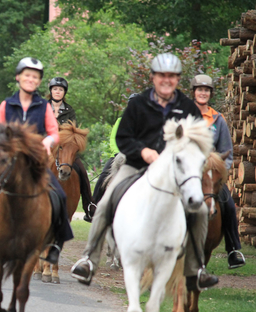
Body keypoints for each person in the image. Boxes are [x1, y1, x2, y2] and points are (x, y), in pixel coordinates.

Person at [71, 53, 219, 290]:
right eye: (162, 75)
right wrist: (144, 152)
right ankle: (89, 259)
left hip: (174, 170)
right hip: (137, 165)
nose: (166, 80)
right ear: (153, 77)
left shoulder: (188, 107)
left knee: (200, 209)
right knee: (107, 201)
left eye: (172, 76)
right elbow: (123, 137)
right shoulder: (138, 104)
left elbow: (199, 140)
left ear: (177, 79)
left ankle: (197, 269)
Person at [0, 57, 74, 262]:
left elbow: (55, 133)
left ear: (39, 81)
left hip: (33, 163)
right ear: (18, 77)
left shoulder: (43, 107)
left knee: (59, 195)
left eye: (35, 77)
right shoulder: (6, 105)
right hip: (8, 161)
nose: (30, 79)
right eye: (27, 75)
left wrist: (47, 141)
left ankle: (55, 244)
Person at [192, 74, 245, 269]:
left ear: (210, 93)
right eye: (200, 90)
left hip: (211, 175)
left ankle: (233, 250)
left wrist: (221, 172)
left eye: (206, 90)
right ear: (194, 92)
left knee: (229, 205)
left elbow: (226, 151)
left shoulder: (218, 119)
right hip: (189, 172)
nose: (203, 93)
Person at [48, 77, 95, 222]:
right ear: (51, 91)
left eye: (60, 90)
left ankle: (89, 206)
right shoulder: (43, 107)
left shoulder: (69, 110)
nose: (57, 92)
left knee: (81, 170)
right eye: (55, 89)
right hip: (45, 146)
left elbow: (72, 131)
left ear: (64, 93)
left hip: (65, 148)